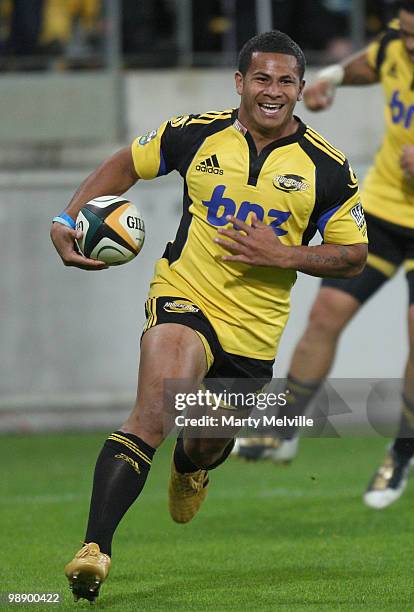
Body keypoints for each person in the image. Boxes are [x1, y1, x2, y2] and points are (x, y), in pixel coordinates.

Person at [50, 30, 367, 603]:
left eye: (286, 81)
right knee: (154, 409)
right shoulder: (193, 134)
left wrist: (285, 254)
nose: (273, 91)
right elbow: (125, 163)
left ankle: (191, 467)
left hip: (254, 330)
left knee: (203, 438)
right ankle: (94, 550)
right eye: (262, 79)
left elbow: (353, 255)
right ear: (240, 82)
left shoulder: (328, 169)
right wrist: (64, 218)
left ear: (299, 88)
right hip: (185, 294)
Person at [234, 1, 414, 509]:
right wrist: (332, 76)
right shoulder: (394, 48)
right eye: (405, 34)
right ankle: (286, 425)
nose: (410, 46)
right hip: (382, 212)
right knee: (325, 314)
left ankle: (402, 450)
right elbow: (371, 62)